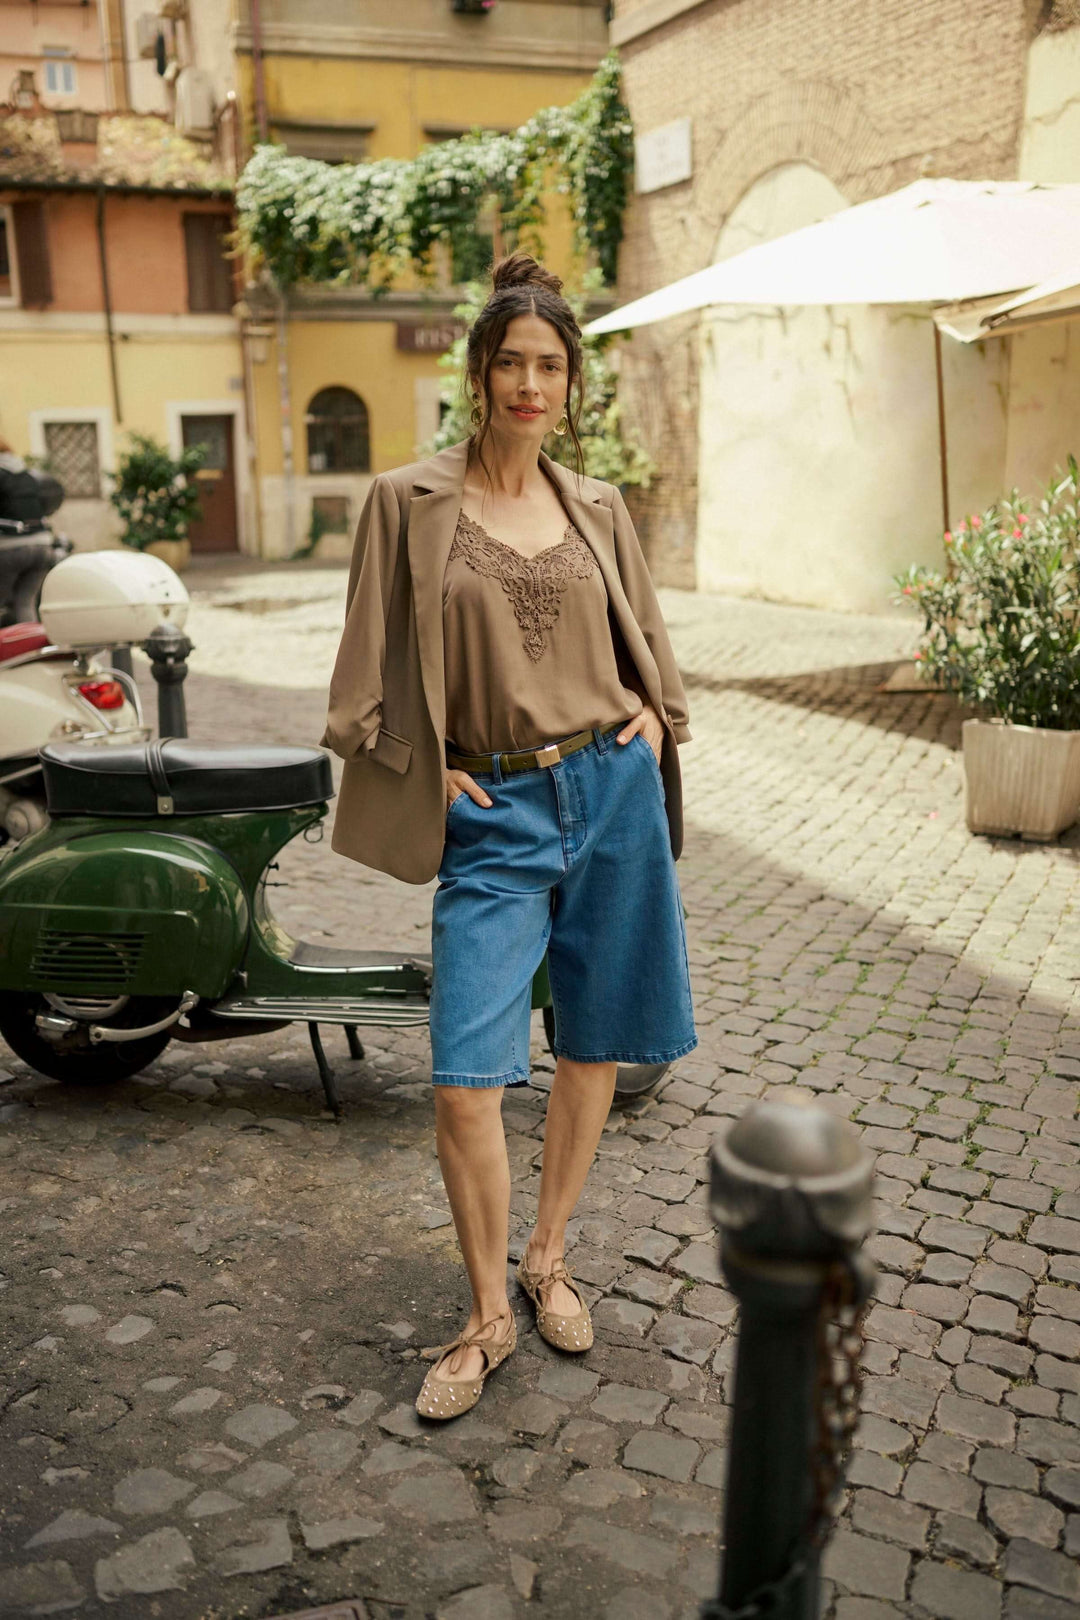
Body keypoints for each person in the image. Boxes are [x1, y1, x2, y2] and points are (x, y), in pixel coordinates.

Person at [321, 253, 697, 1420]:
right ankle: (485, 1315)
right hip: (492, 810)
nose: (530, 383)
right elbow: (359, 682)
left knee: (595, 1040)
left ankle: (546, 1258)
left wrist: (655, 722)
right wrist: (419, 772)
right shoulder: (408, 502)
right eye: (512, 364)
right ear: (479, 376)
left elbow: (649, 640)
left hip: (611, 793)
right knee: (464, 1082)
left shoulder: (598, 508)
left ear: (570, 386)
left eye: (551, 366)